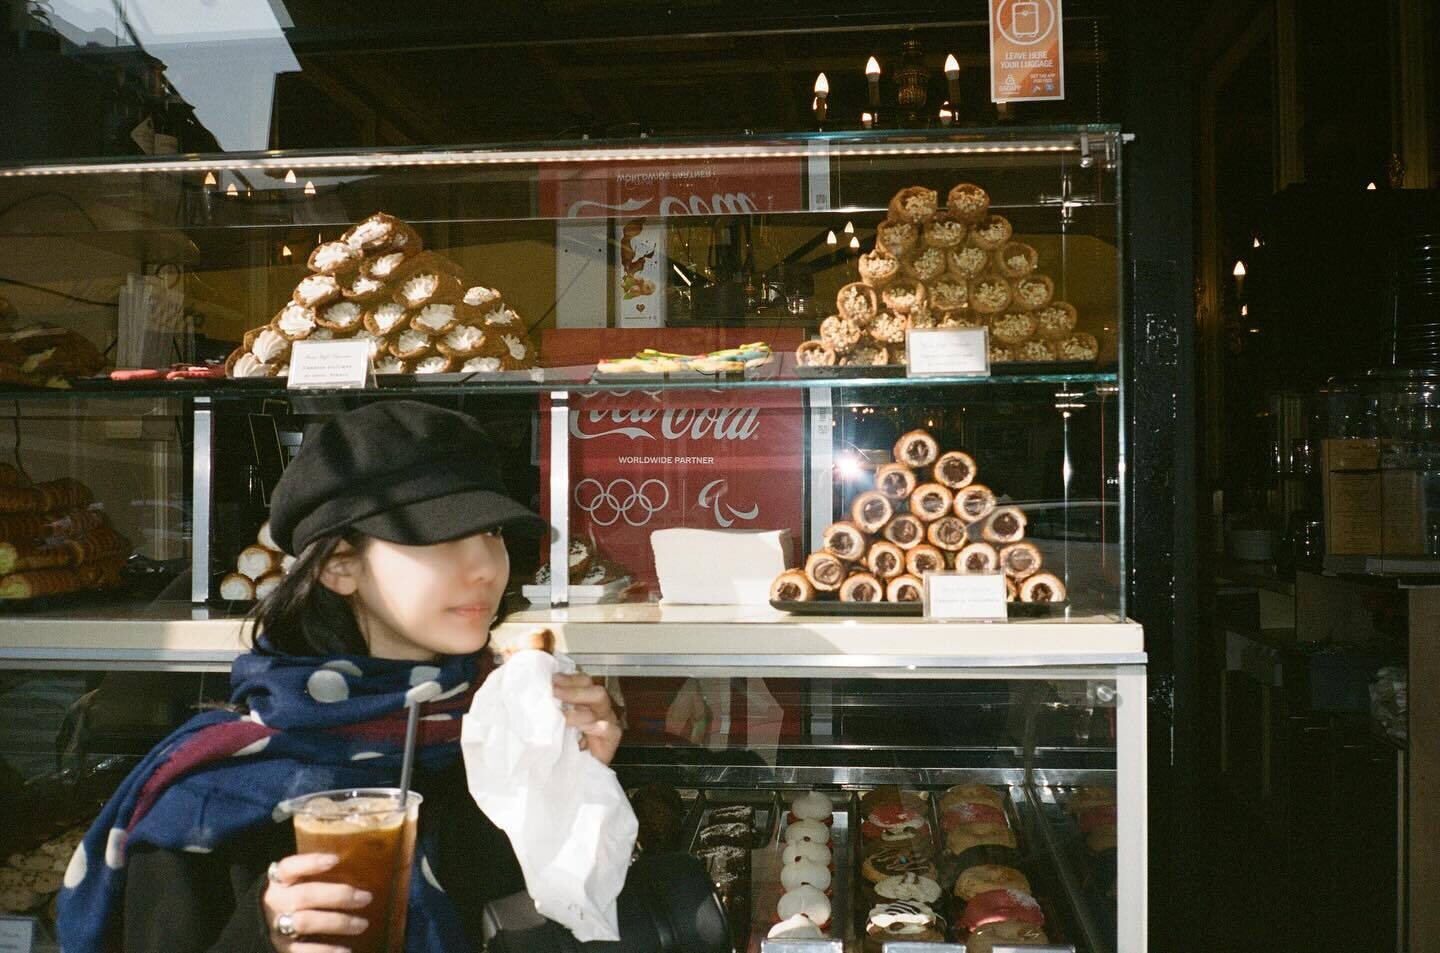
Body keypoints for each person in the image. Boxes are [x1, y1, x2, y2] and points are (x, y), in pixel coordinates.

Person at [56, 401, 627, 953]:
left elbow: (565, 915)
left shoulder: (502, 732)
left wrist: (575, 783)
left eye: (494, 532)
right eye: (443, 537)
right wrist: (264, 936)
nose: (485, 567)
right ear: (339, 566)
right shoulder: (214, 792)